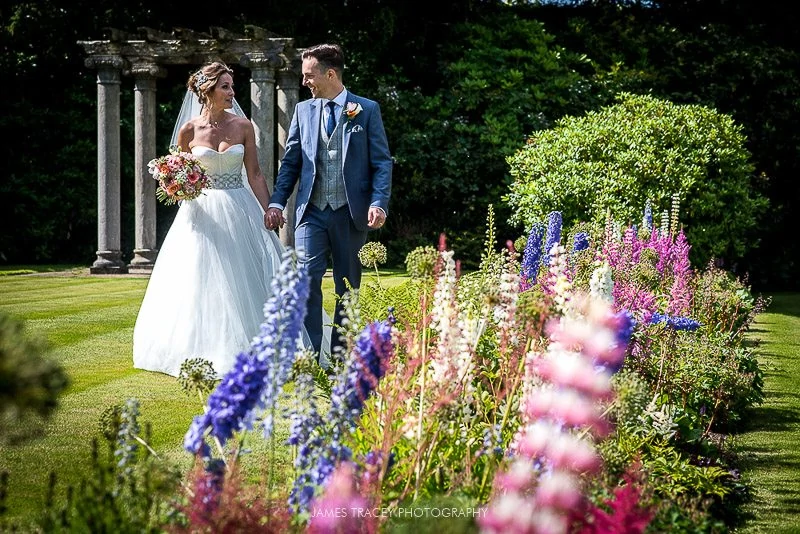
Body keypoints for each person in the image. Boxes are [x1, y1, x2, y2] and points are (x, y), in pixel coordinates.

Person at [133, 61, 318, 377]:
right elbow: (177, 174)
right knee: (199, 278)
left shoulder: (243, 127)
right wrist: (177, 185)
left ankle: (254, 343)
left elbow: (255, 174)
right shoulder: (189, 130)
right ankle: (197, 347)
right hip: (200, 213)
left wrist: (270, 208)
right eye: (226, 87)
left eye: (232, 86)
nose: (232, 92)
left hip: (239, 207)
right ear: (207, 91)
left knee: (243, 276)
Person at [265, 43, 393, 361]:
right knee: (307, 280)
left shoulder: (366, 110)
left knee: (347, 285)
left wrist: (379, 202)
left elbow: (381, 163)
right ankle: (311, 353)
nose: (305, 81)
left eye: (309, 76)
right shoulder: (303, 111)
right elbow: (291, 162)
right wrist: (277, 203)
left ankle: (339, 354)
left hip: (351, 213)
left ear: (330, 74)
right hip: (311, 211)